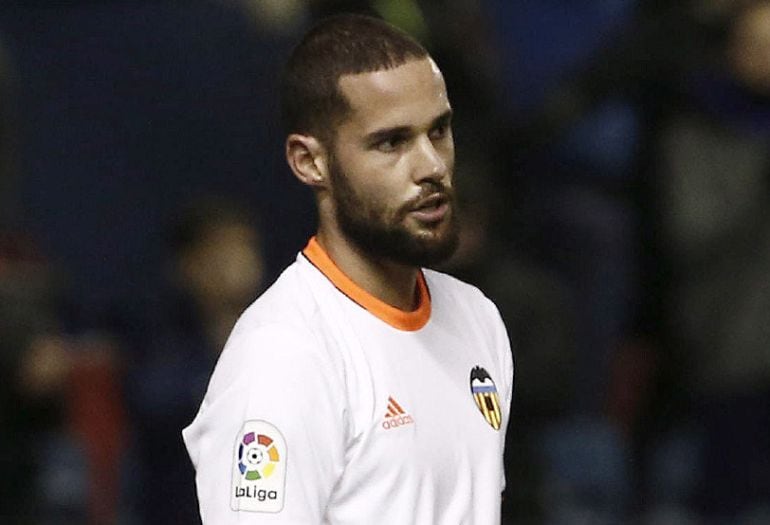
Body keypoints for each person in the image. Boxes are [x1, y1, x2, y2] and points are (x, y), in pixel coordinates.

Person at [183, 13, 514, 524]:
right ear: (309, 162)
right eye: (391, 142)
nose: (431, 165)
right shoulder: (281, 358)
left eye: (439, 130)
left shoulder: (478, 319)